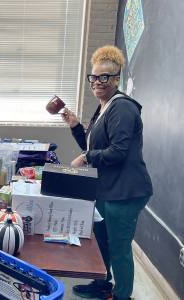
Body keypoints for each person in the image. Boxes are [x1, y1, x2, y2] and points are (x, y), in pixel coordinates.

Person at [61, 45, 153, 300]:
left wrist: (86, 157)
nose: (97, 82)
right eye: (94, 77)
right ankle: (103, 283)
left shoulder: (122, 108)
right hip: (106, 189)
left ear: (116, 79)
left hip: (125, 191)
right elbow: (94, 146)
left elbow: (117, 152)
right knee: (101, 239)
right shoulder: (104, 106)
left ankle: (122, 296)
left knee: (120, 247)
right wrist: (76, 126)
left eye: (105, 77)